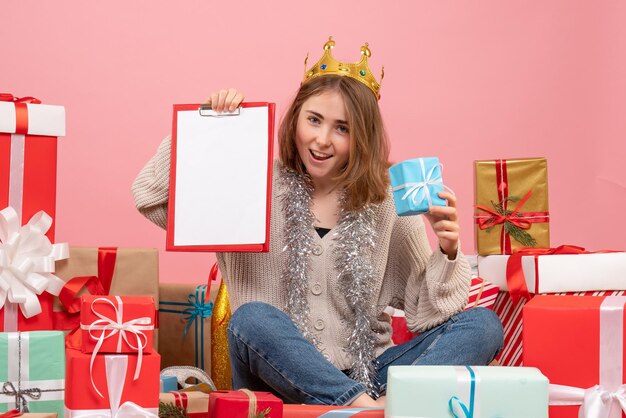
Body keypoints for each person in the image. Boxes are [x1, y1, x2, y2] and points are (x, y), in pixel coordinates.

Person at [132, 37, 503, 407]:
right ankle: (370, 409)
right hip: (275, 378)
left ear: (362, 137)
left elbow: (427, 315)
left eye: (342, 128)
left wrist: (449, 249)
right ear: (296, 119)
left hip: (371, 373)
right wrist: (206, 126)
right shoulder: (250, 183)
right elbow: (149, 196)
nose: (322, 140)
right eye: (314, 120)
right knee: (252, 318)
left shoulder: (384, 200)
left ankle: (388, 403)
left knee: (482, 325)